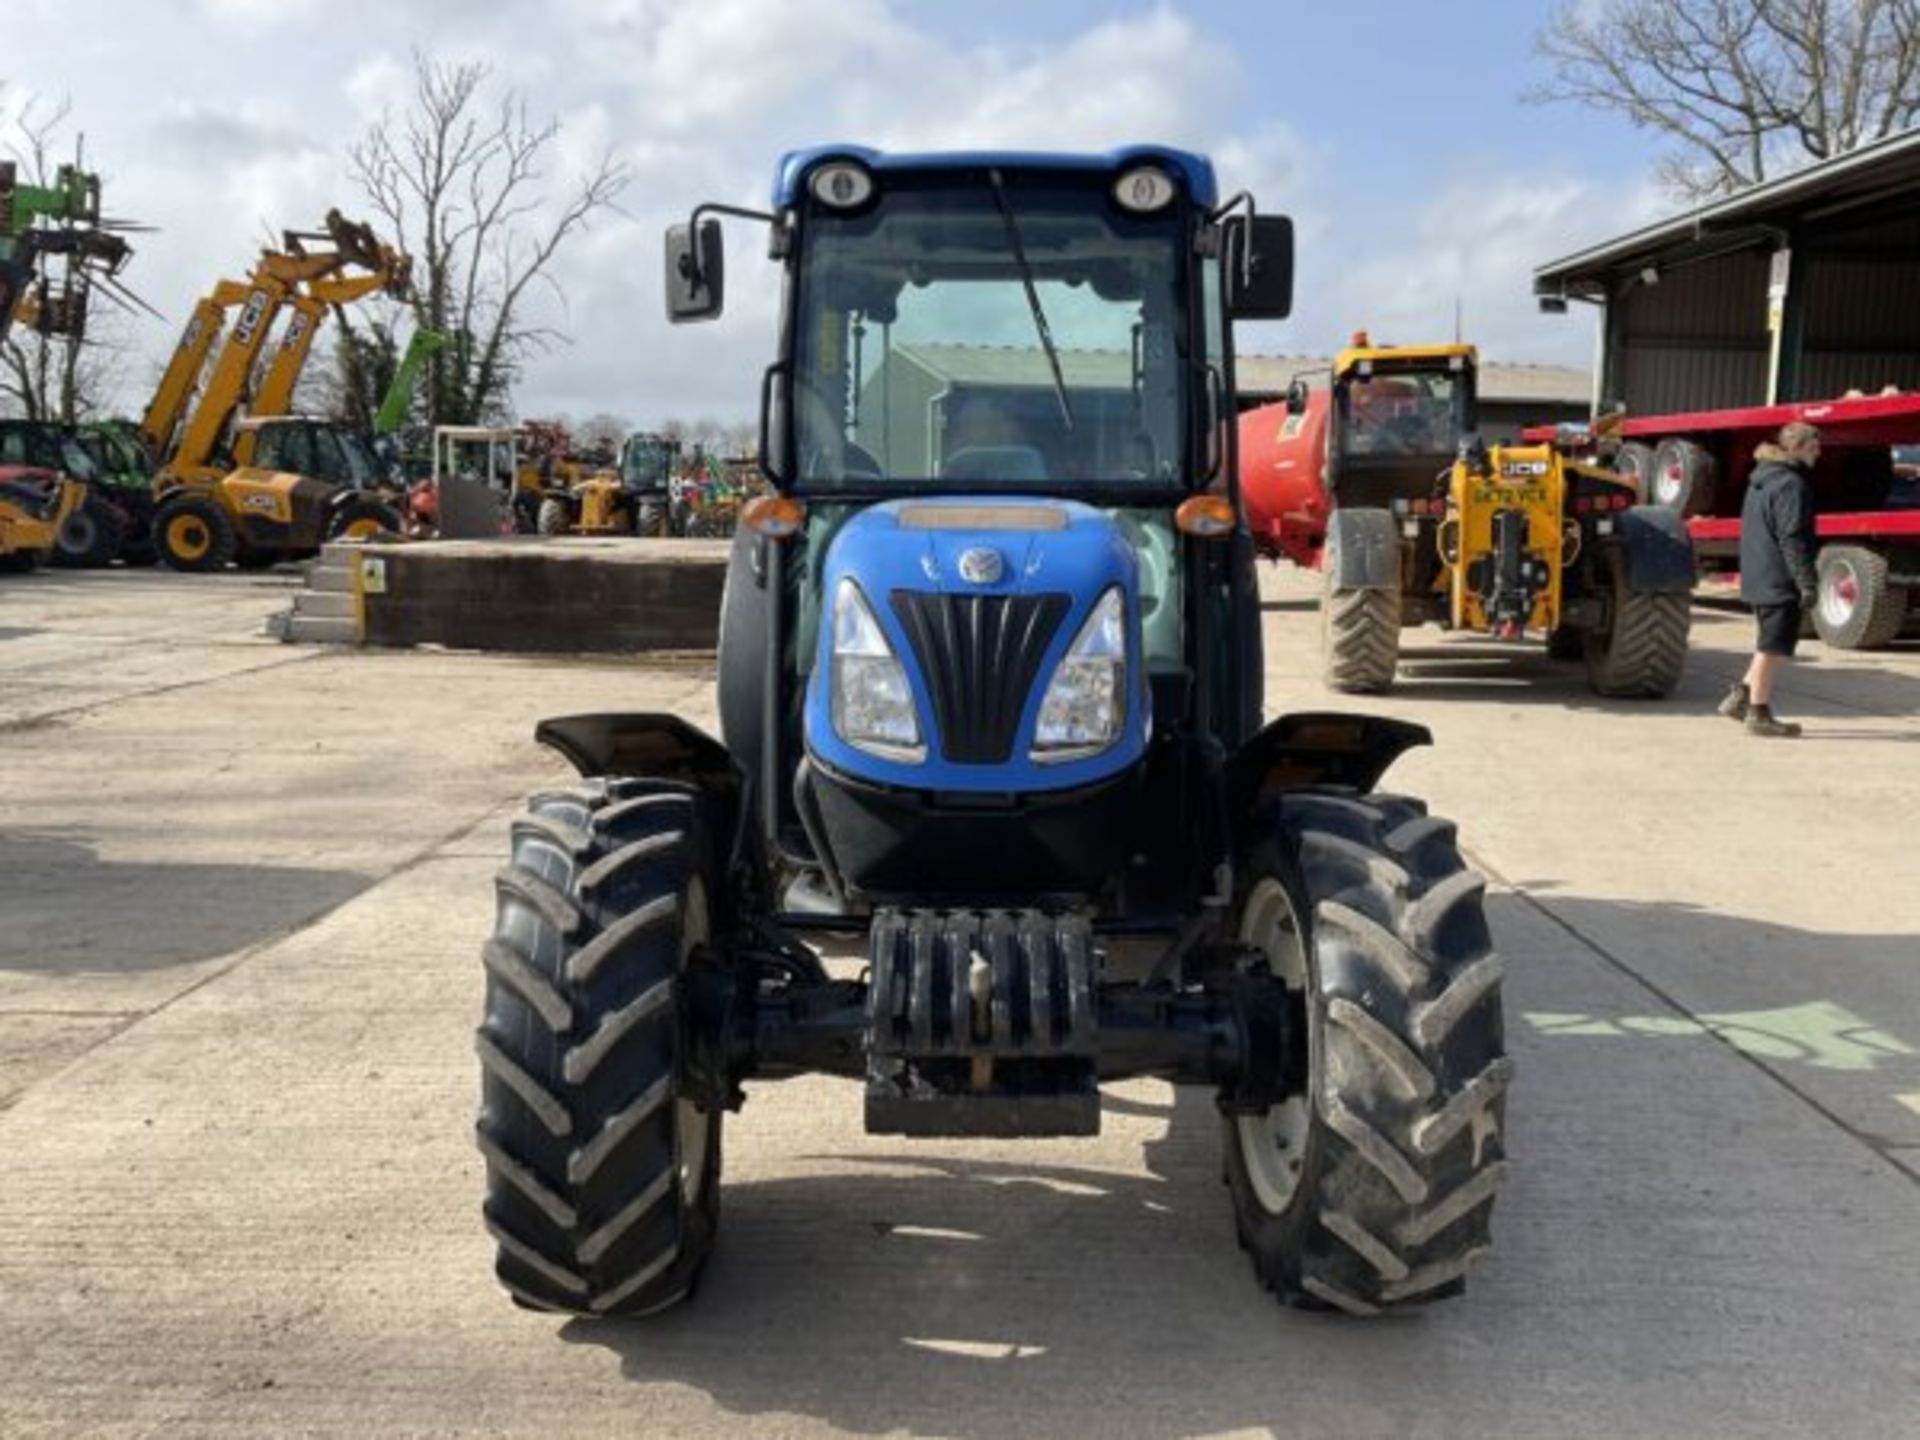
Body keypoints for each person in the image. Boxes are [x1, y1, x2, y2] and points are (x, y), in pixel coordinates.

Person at [1718, 421, 1821, 738]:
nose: (1819, 453)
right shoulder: (1791, 485)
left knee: (1768, 644)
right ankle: (1758, 715)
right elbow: (1792, 538)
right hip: (1779, 579)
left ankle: (1741, 699)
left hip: (1759, 575)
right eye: (1815, 446)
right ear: (1799, 447)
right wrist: (1806, 581)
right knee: (1771, 648)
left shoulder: (1762, 479)